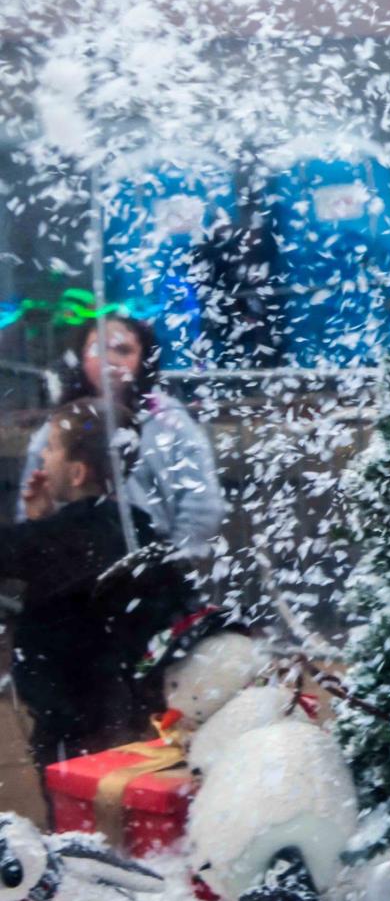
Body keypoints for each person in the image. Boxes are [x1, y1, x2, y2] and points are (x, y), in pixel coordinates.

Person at [2, 399, 157, 776]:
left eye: (51, 448)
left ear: (76, 473)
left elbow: (18, 551)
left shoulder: (57, 536)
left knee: (71, 792)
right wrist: (45, 521)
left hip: (66, 704)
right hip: (127, 701)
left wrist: (40, 527)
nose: (42, 458)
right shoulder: (137, 525)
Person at [17, 316, 223, 552]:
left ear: (143, 358)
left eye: (123, 350)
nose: (110, 360)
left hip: (153, 558)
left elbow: (202, 501)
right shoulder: (62, 421)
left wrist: (175, 558)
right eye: (98, 349)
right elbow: (31, 493)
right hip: (72, 559)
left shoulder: (168, 419)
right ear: (80, 357)